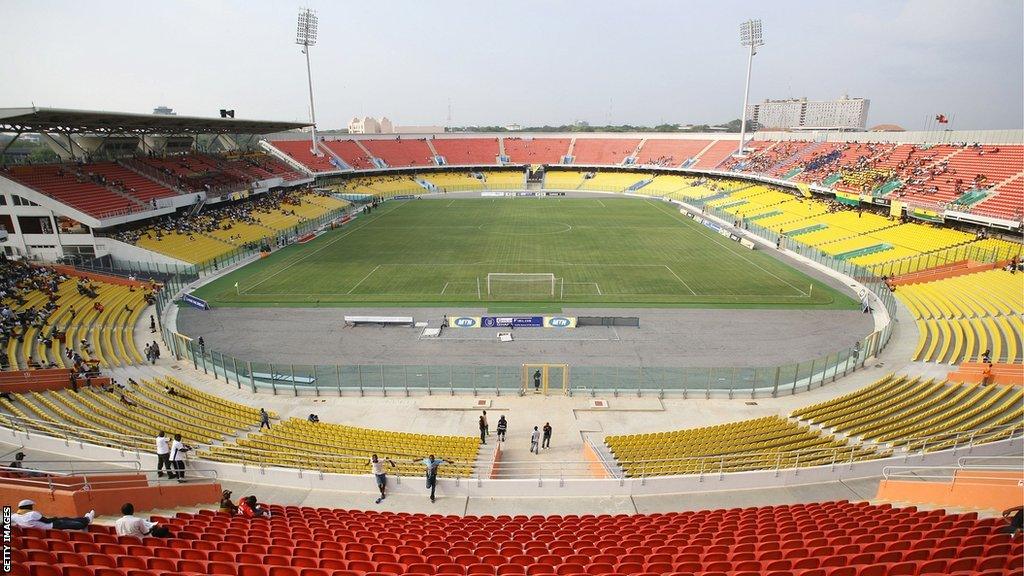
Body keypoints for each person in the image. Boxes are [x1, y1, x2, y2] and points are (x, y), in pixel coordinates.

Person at [13, 499, 94, 531]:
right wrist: (55, 518)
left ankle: (86, 518)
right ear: (28, 507)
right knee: (78, 525)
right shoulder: (32, 514)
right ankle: (87, 520)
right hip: (52, 525)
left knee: (66, 518)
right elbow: (47, 520)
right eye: (31, 506)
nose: (32, 507)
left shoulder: (14, 516)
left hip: (47, 527)